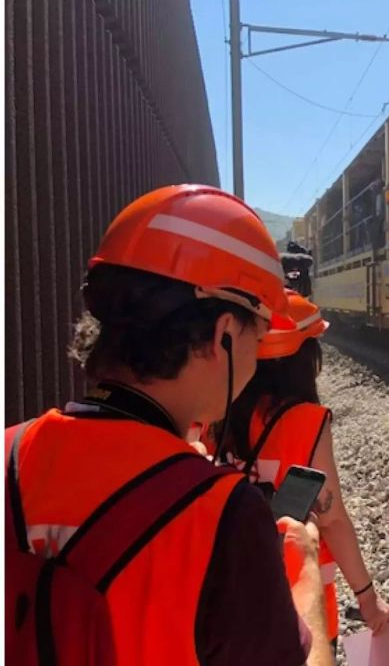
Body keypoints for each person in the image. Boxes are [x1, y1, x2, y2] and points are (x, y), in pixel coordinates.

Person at [6, 185, 333, 665]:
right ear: (224, 334)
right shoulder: (223, 515)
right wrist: (304, 575)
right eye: (257, 336)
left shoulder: (10, 450)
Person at [215, 290, 389, 651]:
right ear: (301, 357)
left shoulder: (220, 411)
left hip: (234, 584)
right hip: (297, 589)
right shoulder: (307, 421)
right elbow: (332, 520)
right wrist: (367, 598)